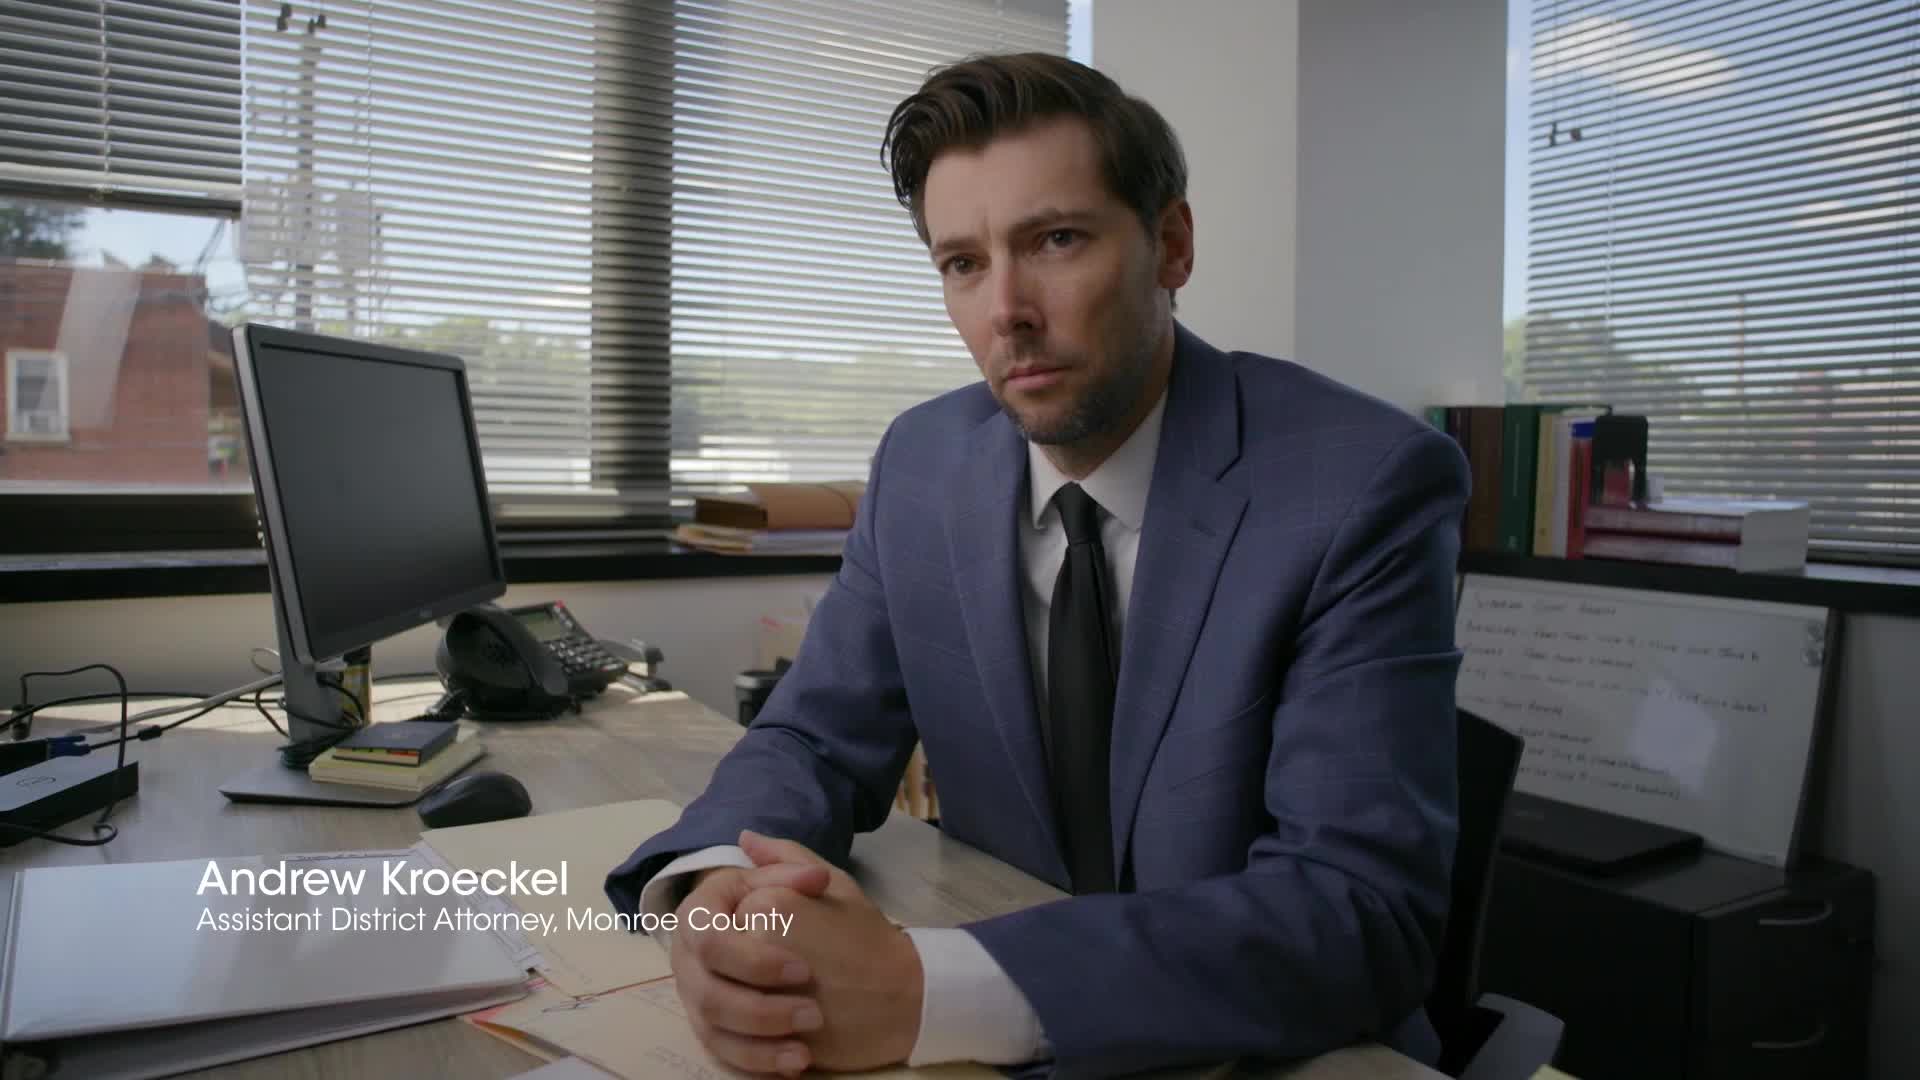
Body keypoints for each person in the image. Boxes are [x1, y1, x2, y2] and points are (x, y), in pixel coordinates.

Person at [606, 52, 1470, 1079]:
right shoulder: (923, 463)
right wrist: (718, 892)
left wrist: (928, 992)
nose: (1006, 310)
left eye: (1055, 240)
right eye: (962, 263)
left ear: (1172, 245)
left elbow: (1359, 910)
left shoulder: (1363, 484)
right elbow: (817, 738)